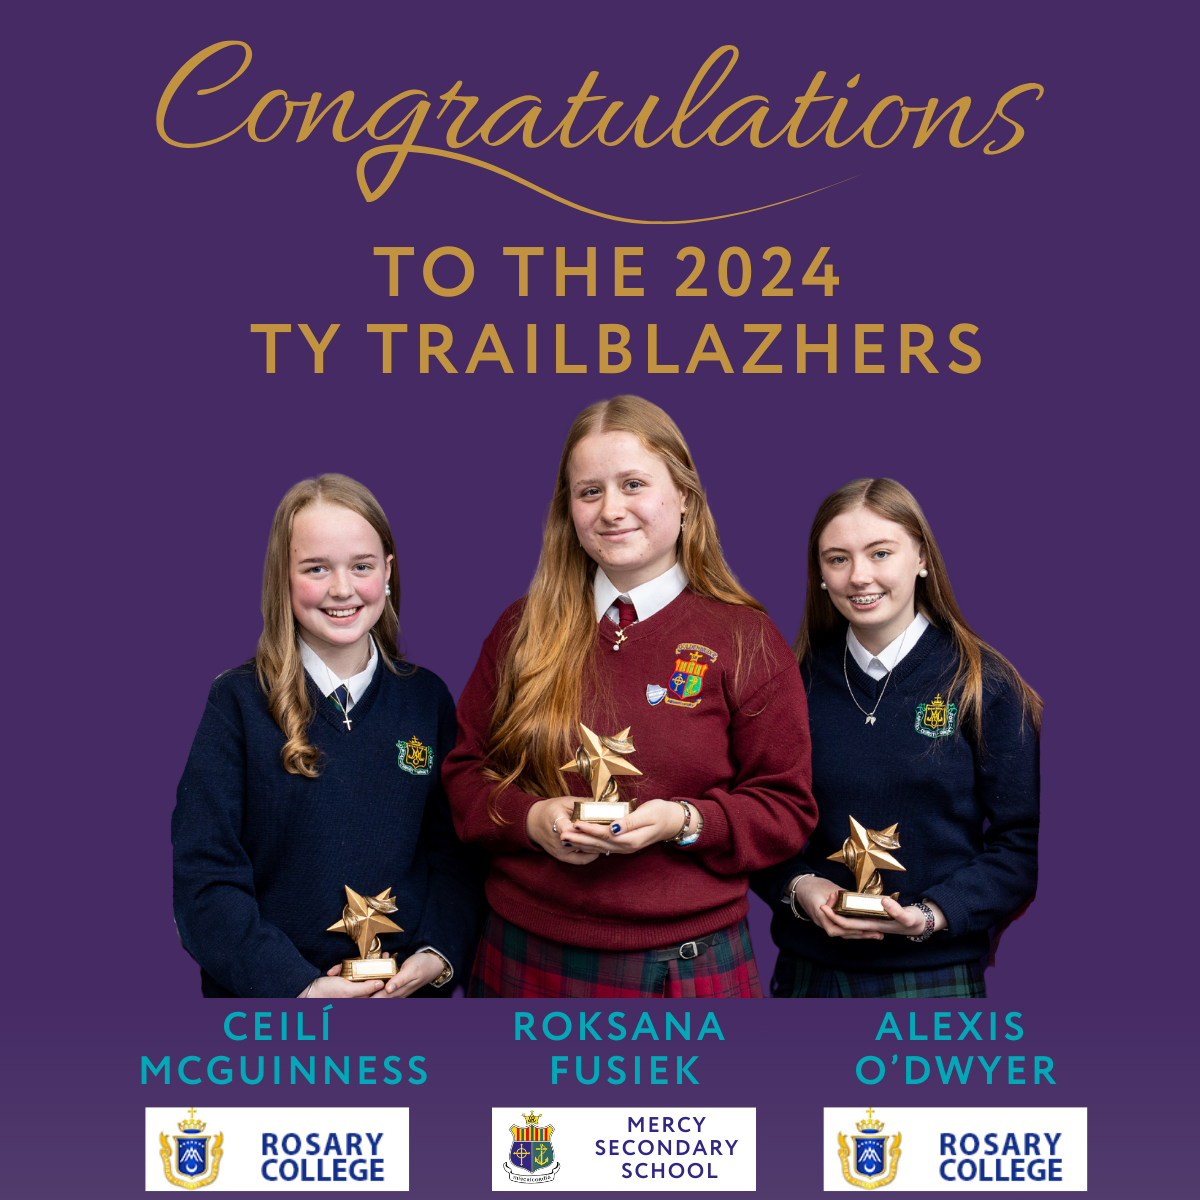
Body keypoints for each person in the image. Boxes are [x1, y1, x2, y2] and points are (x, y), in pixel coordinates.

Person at [442, 395, 817, 998]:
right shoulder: (520, 629)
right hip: (525, 952)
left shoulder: (747, 640)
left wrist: (685, 821)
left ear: (685, 498)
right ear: (568, 509)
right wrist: (532, 821)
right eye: (589, 491)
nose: (611, 510)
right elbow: (463, 774)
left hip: (687, 965)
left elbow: (785, 808)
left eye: (634, 484)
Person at [173, 474, 484, 998]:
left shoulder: (426, 698)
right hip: (277, 1011)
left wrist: (435, 953)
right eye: (316, 569)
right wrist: (300, 988)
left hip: (404, 1002)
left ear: (387, 573)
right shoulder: (237, 702)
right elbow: (206, 878)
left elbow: (455, 855)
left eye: (361, 567)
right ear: (283, 578)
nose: (342, 589)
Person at [753, 478, 1040, 999]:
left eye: (880, 553)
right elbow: (761, 820)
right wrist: (799, 888)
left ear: (922, 557)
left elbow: (1022, 846)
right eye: (837, 559)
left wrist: (929, 916)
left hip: (934, 975)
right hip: (808, 973)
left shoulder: (985, 683)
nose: (859, 576)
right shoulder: (788, 682)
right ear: (819, 573)